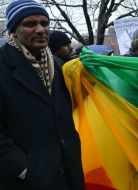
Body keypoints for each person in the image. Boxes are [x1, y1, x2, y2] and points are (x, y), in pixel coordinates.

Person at [0, 0, 85, 190]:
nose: (40, 29)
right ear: (13, 30)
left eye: (44, 23)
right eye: (30, 24)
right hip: (28, 180)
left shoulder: (57, 64)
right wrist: (23, 168)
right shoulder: (3, 64)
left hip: (68, 172)